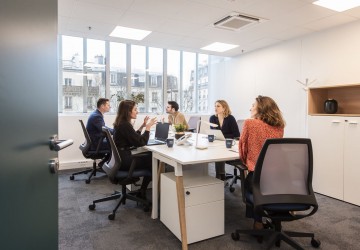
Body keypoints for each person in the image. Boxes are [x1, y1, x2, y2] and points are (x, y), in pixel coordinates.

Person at [239, 95, 285, 230]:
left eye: (253, 105)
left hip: (257, 173)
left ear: (261, 108)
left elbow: (243, 148)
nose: (250, 108)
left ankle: (258, 222)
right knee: (269, 192)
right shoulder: (279, 126)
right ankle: (276, 217)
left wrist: (247, 162)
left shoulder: (249, 123)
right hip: (277, 174)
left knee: (248, 189)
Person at [113, 100, 157, 198]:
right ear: (128, 111)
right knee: (154, 159)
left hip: (120, 158)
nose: (137, 111)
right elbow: (141, 142)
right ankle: (143, 190)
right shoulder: (125, 125)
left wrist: (142, 126)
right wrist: (148, 127)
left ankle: (143, 190)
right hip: (124, 161)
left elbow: (132, 138)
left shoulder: (121, 123)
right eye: (135, 109)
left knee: (149, 156)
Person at [209, 100, 240, 180]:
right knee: (215, 150)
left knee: (219, 152)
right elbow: (213, 132)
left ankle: (220, 175)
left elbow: (236, 134)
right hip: (218, 142)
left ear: (224, 108)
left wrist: (223, 136)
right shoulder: (212, 118)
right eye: (215, 106)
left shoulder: (230, 118)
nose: (215, 108)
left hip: (229, 143)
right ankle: (220, 174)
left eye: (218, 106)